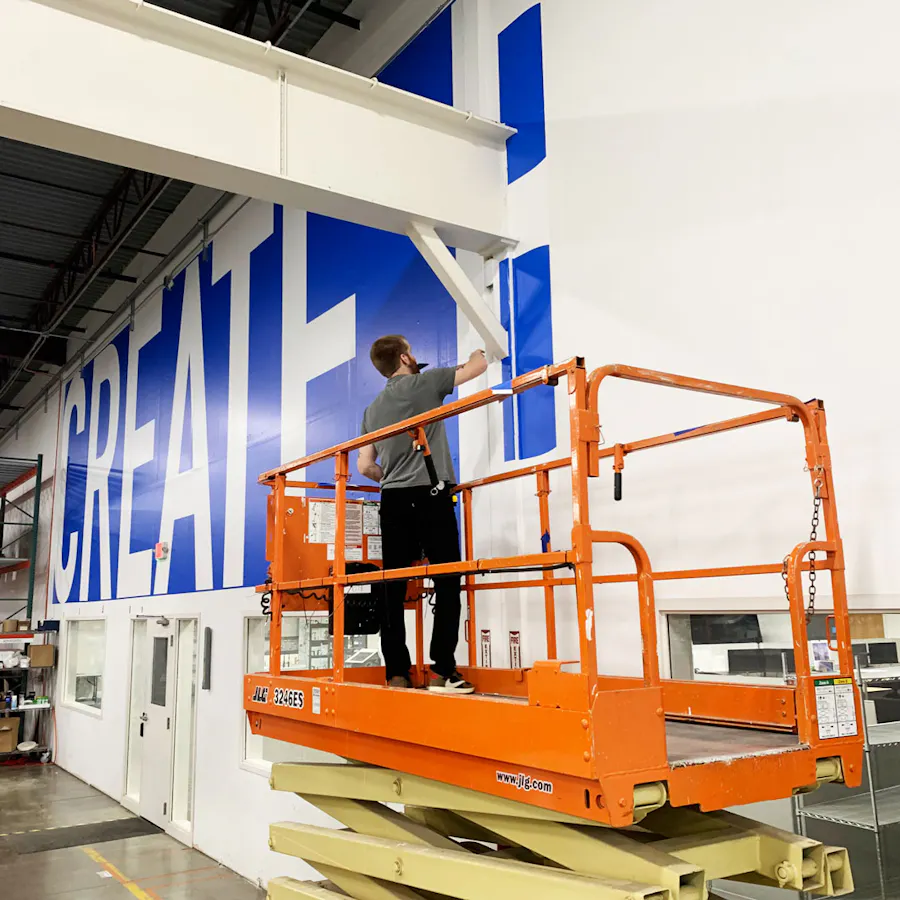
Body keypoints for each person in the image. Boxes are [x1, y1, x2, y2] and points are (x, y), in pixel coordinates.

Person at [358, 335, 487, 693]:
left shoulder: (372, 410)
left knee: (392, 588)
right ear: (404, 356)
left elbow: (365, 465)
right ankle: (442, 671)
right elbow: (477, 367)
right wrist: (479, 349)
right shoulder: (424, 383)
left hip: (393, 502)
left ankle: (396, 673)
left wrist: (394, 477)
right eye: (411, 351)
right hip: (431, 496)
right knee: (447, 579)